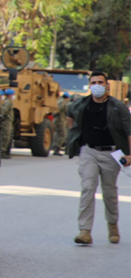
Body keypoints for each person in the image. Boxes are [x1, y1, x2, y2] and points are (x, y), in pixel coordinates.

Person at [66, 72, 131, 245]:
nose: (97, 85)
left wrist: (129, 154)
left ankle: (113, 225)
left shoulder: (117, 106)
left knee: (109, 192)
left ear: (107, 85)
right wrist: (74, 136)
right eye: (93, 82)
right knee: (88, 187)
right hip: (89, 152)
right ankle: (85, 231)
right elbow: (69, 115)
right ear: (89, 85)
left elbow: (129, 131)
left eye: (100, 82)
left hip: (112, 153)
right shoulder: (81, 103)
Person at [53, 92, 70, 156]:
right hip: (60, 120)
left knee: (57, 134)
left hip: (57, 120)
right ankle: (57, 148)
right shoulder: (63, 102)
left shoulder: (59, 101)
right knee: (62, 135)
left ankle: (55, 147)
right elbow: (59, 110)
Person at [0, 89, 15, 159]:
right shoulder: (8, 102)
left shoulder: (8, 102)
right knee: (6, 136)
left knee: (7, 137)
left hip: (8, 121)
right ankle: (3, 152)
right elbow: (4, 111)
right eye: (12, 94)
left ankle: (4, 151)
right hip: (7, 122)